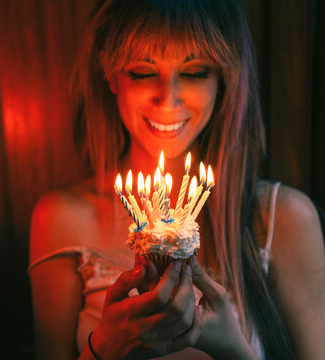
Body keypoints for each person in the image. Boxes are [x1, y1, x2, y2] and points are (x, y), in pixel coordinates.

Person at [28, 0, 325, 358]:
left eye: (195, 71)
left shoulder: (284, 219)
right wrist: (106, 348)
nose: (167, 99)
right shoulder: (59, 218)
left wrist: (233, 350)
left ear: (223, 80)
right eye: (142, 72)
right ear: (111, 77)